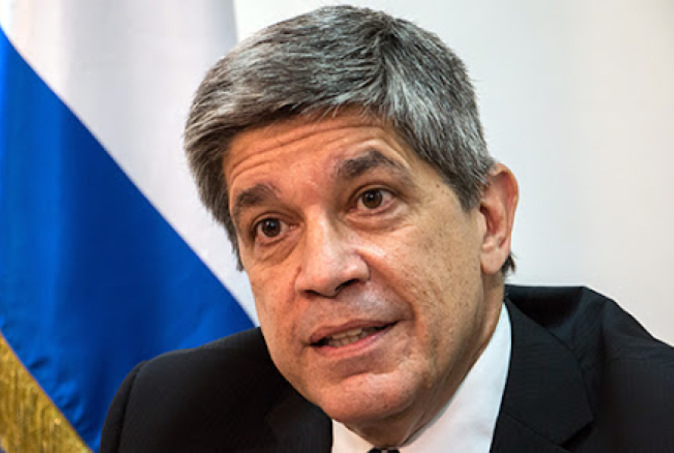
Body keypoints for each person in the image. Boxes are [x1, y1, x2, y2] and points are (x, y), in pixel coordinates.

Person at [101, 6, 674, 452]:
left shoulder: (655, 421)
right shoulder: (167, 421)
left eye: (371, 199)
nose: (324, 271)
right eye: (271, 226)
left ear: (489, 220)